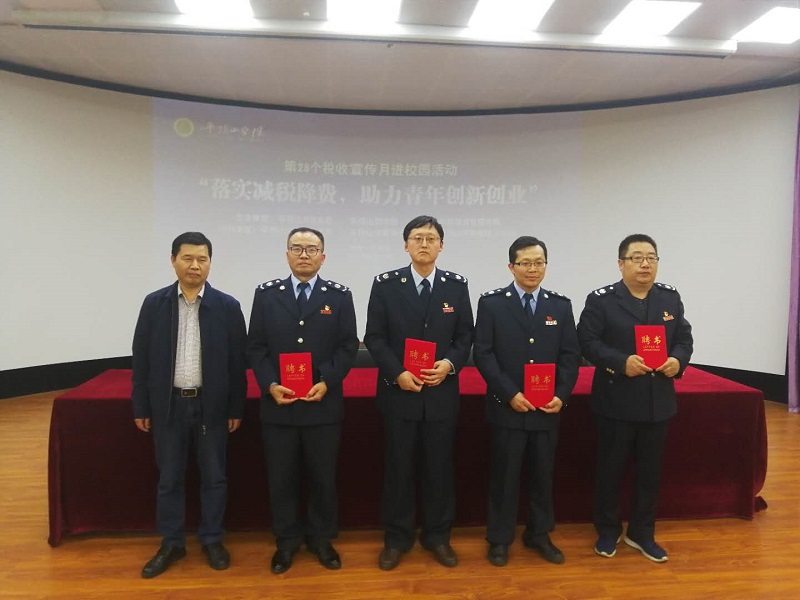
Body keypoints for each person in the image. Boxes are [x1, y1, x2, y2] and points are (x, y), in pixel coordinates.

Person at [132, 231, 247, 578]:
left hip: (212, 407)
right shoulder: (155, 304)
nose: (195, 265)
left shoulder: (227, 307)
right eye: (187, 258)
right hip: (168, 406)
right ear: (173, 261)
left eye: (202, 259)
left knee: (214, 477)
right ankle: (172, 542)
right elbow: (141, 359)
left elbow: (237, 363)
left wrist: (235, 408)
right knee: (169, 479)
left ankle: (212, 539)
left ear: (210, 263)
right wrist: (141, 406)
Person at [364, 215, 474, 570]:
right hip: (399, 394)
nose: (424, 244)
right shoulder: (385, 285)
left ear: (441, 245)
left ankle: (438, 537)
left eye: (430, 238)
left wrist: (449, 364)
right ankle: (396, 539)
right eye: (417, 238)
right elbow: (374, 337)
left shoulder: (456, 285)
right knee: (398, 469)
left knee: (439, 469)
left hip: (441, 395)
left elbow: (465, 336)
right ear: (406, 245)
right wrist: (397, 373)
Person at [247, 227, 358, 574]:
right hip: (278, 406)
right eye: (297, 248)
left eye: (311, 249)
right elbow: (256, 347)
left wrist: (326, 380)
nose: (304, 255)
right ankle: (286, 541)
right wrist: (270, 384)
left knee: (323, 477)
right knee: (281, 479)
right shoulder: (267, 295)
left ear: (323, 256)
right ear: (287, 255)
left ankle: (321, 539)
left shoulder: (339, 296)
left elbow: (348, 346)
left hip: (322, 404)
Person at [577, 233, 693, 563]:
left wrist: (678, 361)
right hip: (617, 401)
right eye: (637, 258)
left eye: (651, 258)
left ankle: (642, 533)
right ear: (621, 263)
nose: (645, 264)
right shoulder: (601, 300)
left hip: (658, 403)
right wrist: (619, 362)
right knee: (610, 470)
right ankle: (608, 529)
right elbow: (586, 342)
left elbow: (684, 339)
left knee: (649, 474)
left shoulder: (669, 297)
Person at [473, 236, 581, 567]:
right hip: (507, 407)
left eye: (539, 263)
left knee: (542, 475)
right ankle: (499, 538)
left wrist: (561, 395)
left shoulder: (560, 306)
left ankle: (539, 534)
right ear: (511, 267)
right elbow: (484, 353)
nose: (532, 269)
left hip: (547, 409)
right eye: (525, 263)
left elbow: (570, 355)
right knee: (504, 476)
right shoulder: (492, 304)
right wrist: (509, 393)